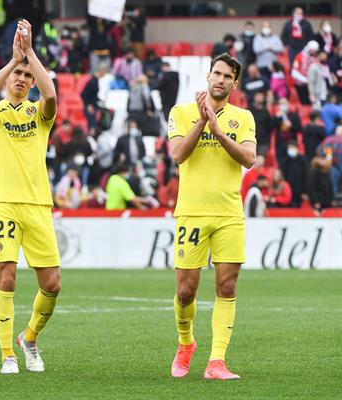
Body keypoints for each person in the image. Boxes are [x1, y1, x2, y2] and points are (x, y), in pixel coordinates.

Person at [0, 19, 61, 374]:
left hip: (38, 204)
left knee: (52, 285)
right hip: (4, 204)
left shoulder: (39, 114)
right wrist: (12, 60)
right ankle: (7, 354)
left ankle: (30, 338)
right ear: (8, 79)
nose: (22, 79)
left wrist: (29, 54)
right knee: (6, 278)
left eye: (27, 76)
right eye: (18, 75)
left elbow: (52, 95)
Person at [167, 53, 256, 380]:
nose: (220, 79)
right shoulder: (182, 112)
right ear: (208, 76)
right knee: (186, 291)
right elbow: (177, 154)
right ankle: (186, 342)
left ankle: (216, 362)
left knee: (227, 285)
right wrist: (204, 121)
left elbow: (249, 159)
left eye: (226, 76)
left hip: (229, 213)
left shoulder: (243, 117)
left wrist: (219, 131)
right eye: (216, 73)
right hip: (191, 212)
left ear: (235, 83)